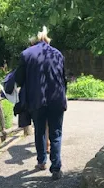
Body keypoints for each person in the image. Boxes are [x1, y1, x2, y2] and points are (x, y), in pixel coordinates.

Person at [15, 26, 67, 180]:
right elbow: (63, 78)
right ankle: (56, 168)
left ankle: (41, 161)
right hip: (57, 99)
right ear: (47, 40)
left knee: (39, 131)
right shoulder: (57, 54)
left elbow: (19, 79)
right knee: (56, 133)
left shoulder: (26, 54)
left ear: (34, 41)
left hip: (36, 100)